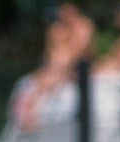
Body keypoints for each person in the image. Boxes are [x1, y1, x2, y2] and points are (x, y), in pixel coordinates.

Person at [12, 3, 95, 132]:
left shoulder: (84, 26)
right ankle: (27, 113)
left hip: (75, 69)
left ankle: (32, 111)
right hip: (55, 68)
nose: (64, 13)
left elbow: (82, 52)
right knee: (30, 82)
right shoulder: (55, 29)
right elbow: (49, 54)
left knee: (47, 80)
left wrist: (62, 69)